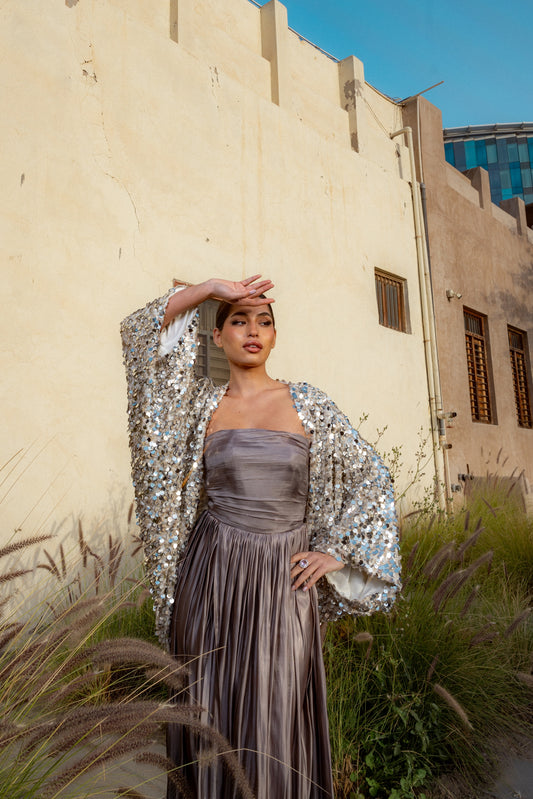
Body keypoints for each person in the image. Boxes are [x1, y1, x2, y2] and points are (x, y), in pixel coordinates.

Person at [121, 275, 401, 799]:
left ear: (274, 336)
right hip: (210, 581)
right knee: (207, 720)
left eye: (264, 321)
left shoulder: (309, 404)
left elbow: (373, 477)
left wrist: (338, 552)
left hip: (284, 583)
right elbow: (141, 336)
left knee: (276, 721)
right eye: (238, 320)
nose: (253, 331)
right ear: (217, 336)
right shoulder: (197, 409)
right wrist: (209, 288)